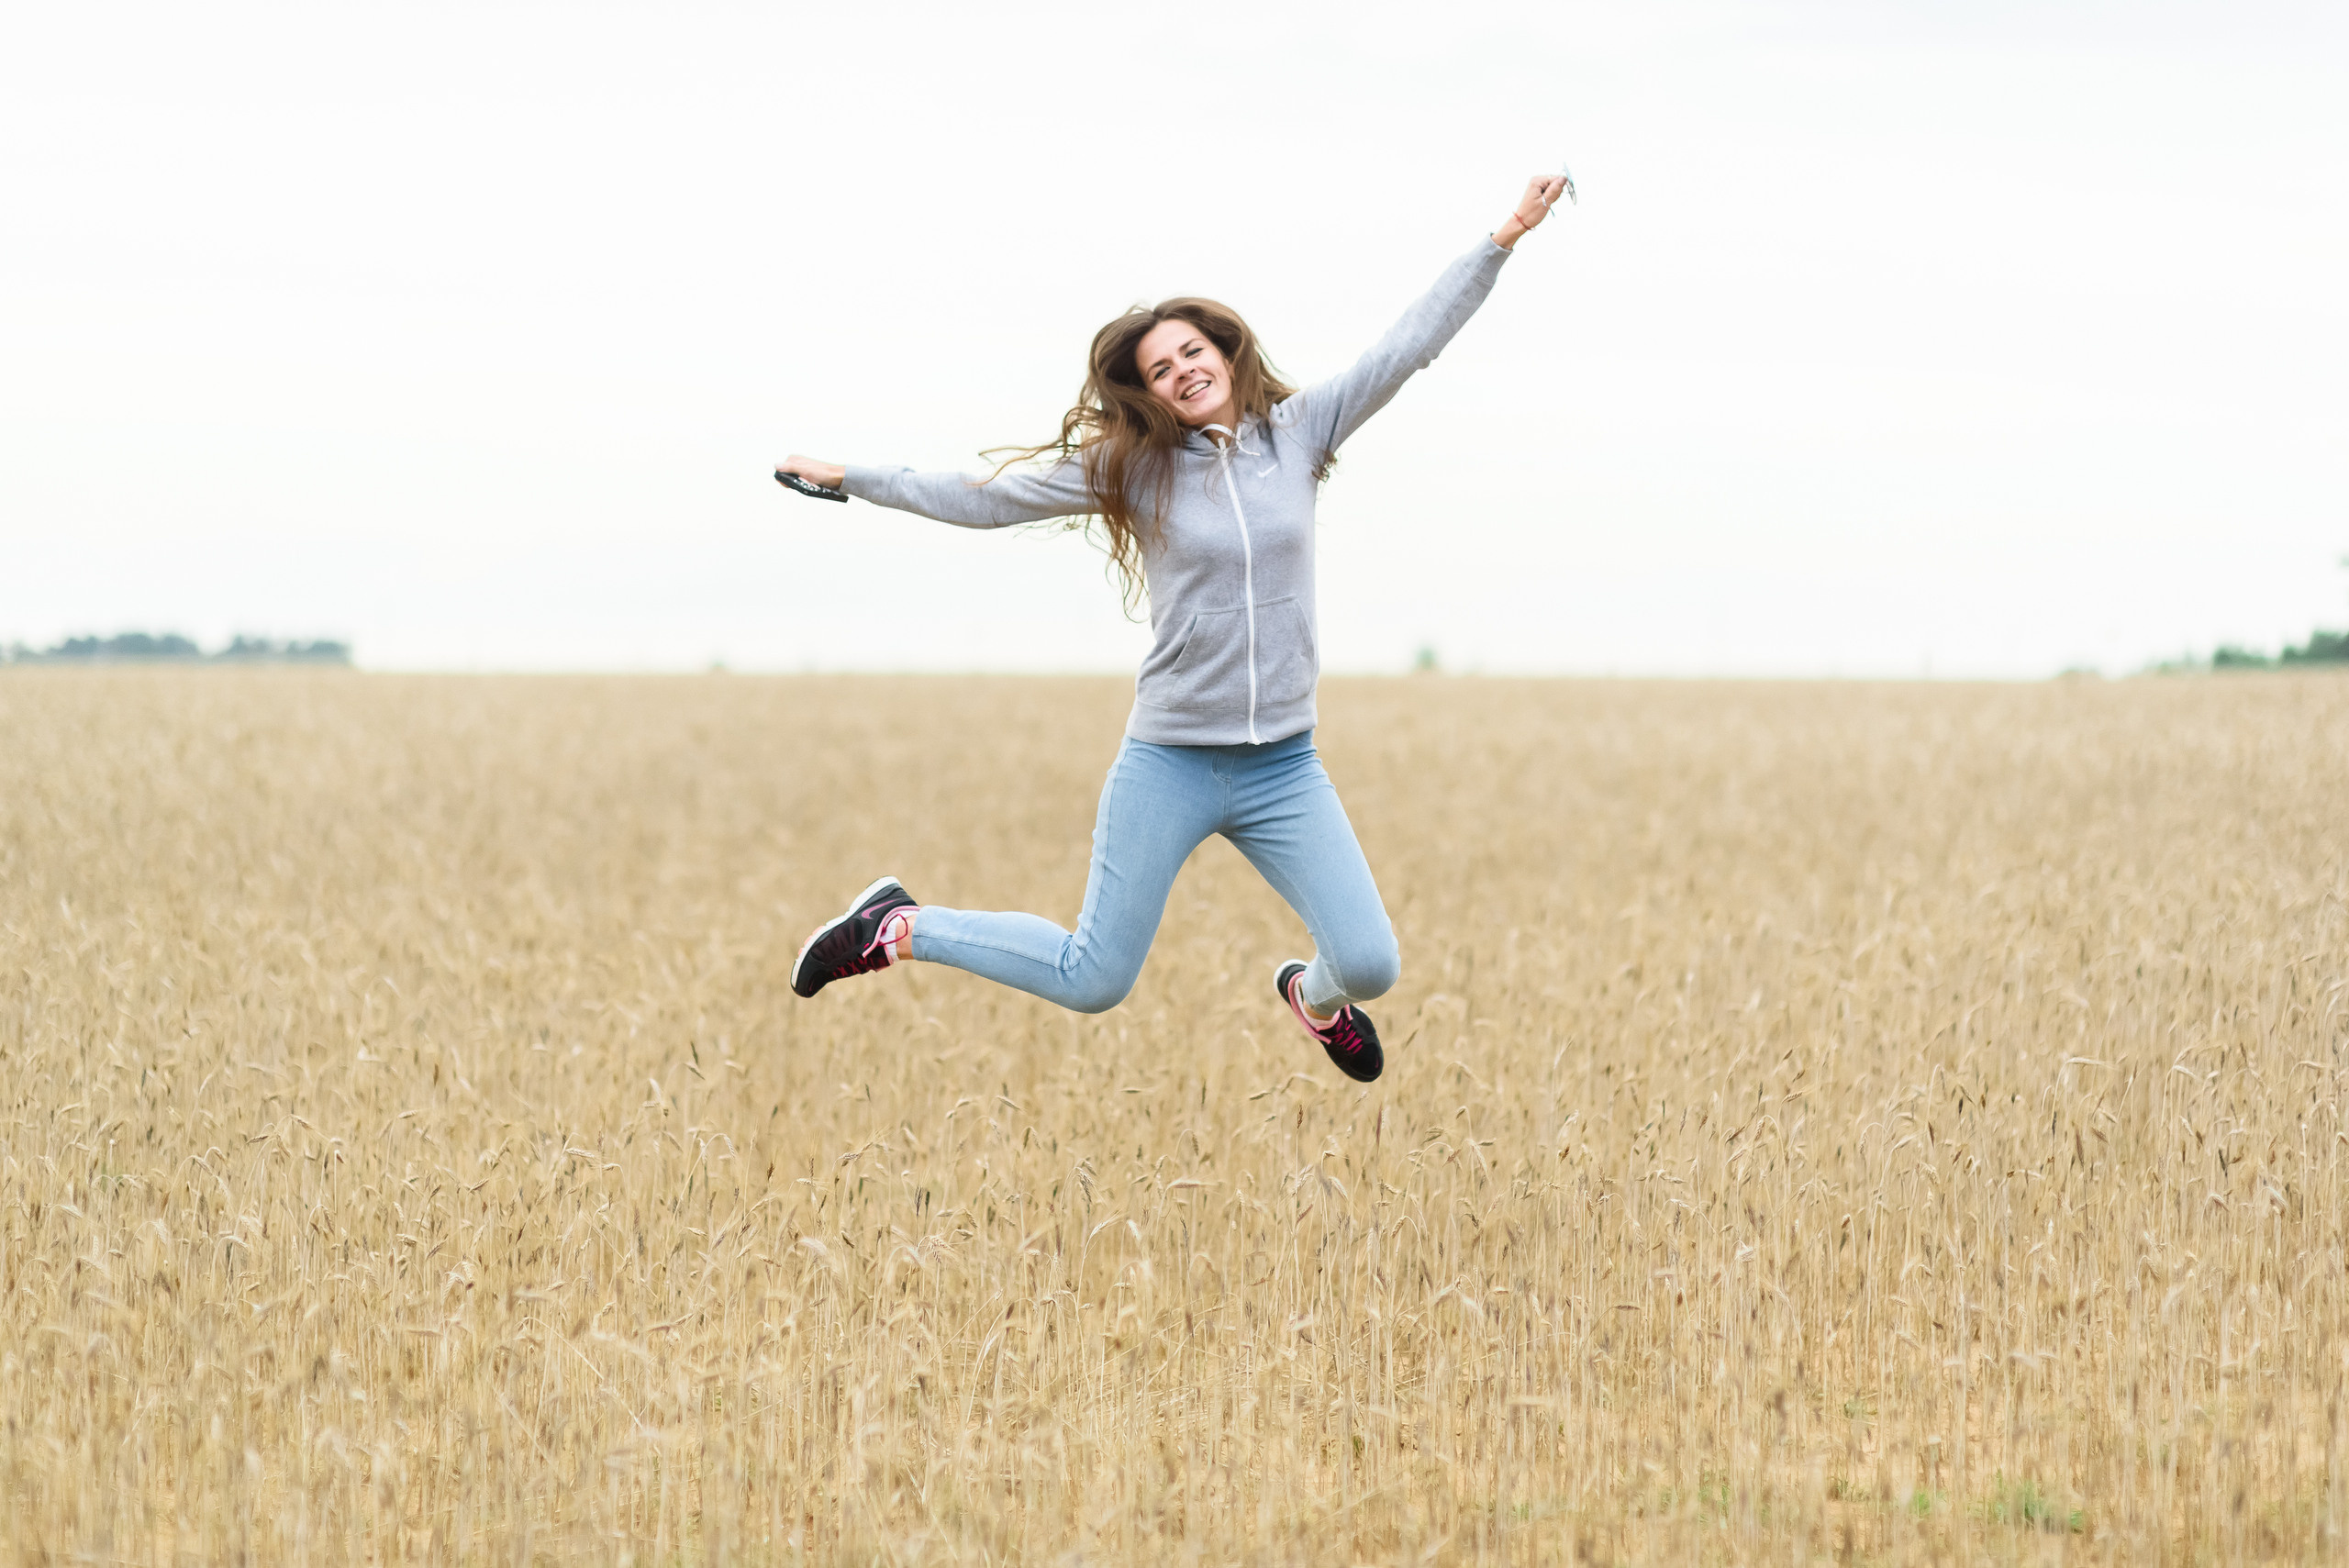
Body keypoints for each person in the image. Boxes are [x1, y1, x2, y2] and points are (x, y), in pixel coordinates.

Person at [776, 173, 1568, 1083]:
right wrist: (852, 478)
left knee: (1369, 964)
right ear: (1148, 391)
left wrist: (1501, 238)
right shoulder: (1133, 468)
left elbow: (1406, 347)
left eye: (1193, 351)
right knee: (1092, 979)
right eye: (1160, 369)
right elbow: (984, 498)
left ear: (1225, 353)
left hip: (1283, 765)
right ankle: (898, 925)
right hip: (1172, 761)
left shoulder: (1301, 432)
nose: (1184, 369)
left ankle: (1311, 1001)